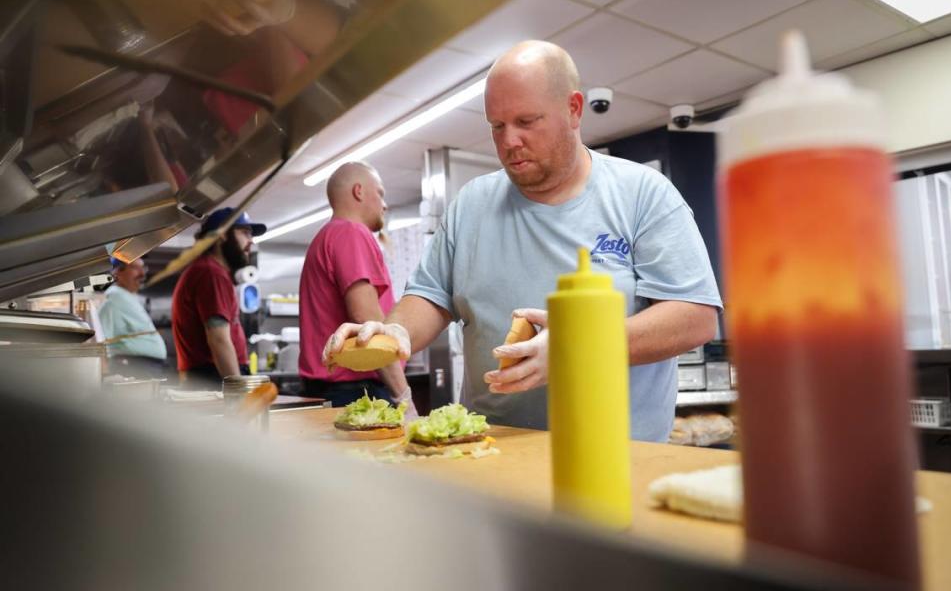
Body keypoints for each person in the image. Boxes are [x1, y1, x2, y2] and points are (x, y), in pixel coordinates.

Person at [324, 40, 722, 442]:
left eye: (526, 121)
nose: (509, 141)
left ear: (574, 109)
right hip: (492, 452)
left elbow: (695, 316)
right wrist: (396, 331)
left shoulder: (643, 194)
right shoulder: (472, 205)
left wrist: (578, 346)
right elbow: (429, 296)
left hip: (617, 457)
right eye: (497, 126)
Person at [299, 162, 415, 410]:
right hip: (355, 391)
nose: (385, 205)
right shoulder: (351, 233)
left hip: (329, 389)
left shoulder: (324, 237)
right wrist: (403, 395)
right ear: (359, 191)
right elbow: (367, 323)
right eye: (380, 193)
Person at [172, 208, 266, 385]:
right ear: (222, 234)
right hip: (213, 377)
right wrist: (239, 391)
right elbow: (219, 339)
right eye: (245, 233)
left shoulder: (206, 270)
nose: (251, 241)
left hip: (208, 375)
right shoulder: (211, 273)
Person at [99, 257, 168, 379]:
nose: (142, 274)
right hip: (134, 366)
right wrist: (104, 372)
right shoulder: (114, 297)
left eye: (143, 268)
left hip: (143, 365)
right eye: (136, 268)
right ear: (118, 272)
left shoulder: (125, 295)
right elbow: (100, 337)